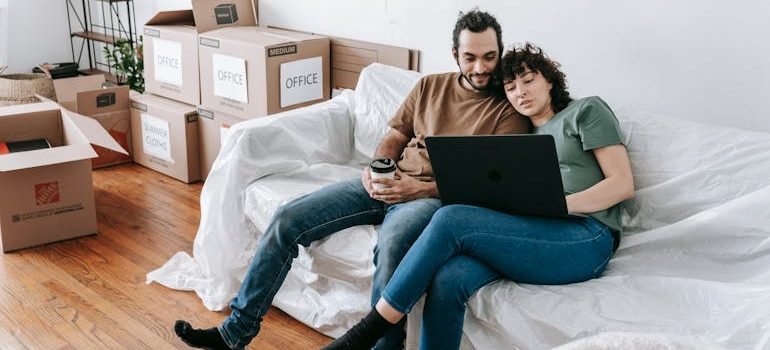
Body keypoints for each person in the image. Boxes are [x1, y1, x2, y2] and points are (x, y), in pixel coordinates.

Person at [174, 9, 530, 350]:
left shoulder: (508, 109)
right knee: (288, 219)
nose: (481, 68)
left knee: (391, 248)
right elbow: (396, 133)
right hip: (386, 182)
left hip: (431, 200)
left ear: (499, 53)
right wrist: (379, 167)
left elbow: (488, 183)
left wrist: (417, 189)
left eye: (489, 57)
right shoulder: (430, 87)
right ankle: (234, 333)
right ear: (455, 54)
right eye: (470, 57)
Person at [323, 43, 635, 350]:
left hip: (585, 236)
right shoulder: (519, 136)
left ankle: (371, 329)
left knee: (450, 217)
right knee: (449, 278)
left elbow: (621, 184)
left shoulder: (586, 110)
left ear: (550, 80)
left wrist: (556, 204)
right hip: (531, 230)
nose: (520, 92)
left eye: (528, 80)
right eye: (511, 87)